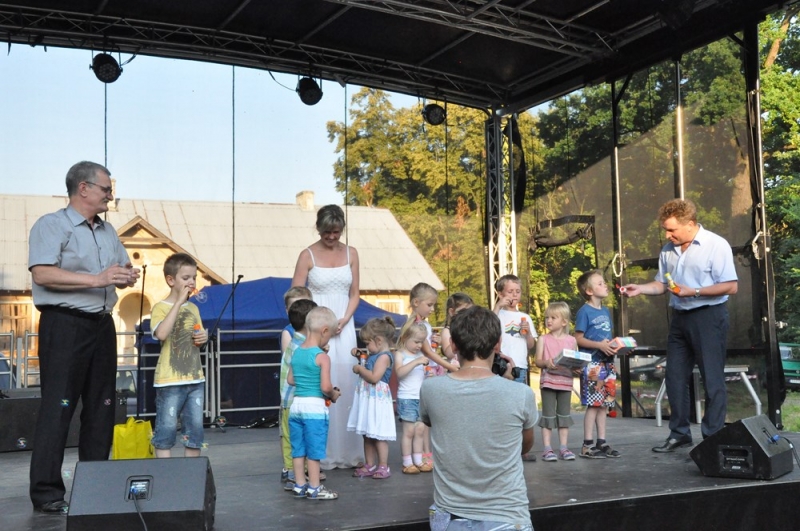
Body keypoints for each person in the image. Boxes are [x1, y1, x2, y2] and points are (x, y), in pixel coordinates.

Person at [28, 161, 140, 514]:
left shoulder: (108, 231)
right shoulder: (52, 225)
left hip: (101, 325)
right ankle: (47, 493)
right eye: (106, 189)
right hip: (65, 324)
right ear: (83, 188)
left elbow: (119, 268)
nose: (110, 195)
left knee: (102, 408)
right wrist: (98, 279)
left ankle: (95, 486)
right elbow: (42, 273)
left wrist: (126, 275)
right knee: (58, 408)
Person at [622, 198, 738, 452]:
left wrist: (694, 291)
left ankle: (712, 438)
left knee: (712, 379)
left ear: (690, 224)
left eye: (672, 230)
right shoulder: (668, 250)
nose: (668, 235)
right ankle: (680, 433)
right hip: (680, 318)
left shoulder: (715, 244)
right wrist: (640, 288)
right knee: (674, 377)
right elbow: (662, 284)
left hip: (709, 316)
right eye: (666, 230)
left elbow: (731, 286)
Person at [420, 306, 536, 531]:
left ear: (453, 345)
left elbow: (442, 424)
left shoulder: (430, 389)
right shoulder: (521, 393)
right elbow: (524, 445)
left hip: (451, 516)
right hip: (507, 515)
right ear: (498, 344)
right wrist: (507, 382)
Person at [291, 204, 362, 469]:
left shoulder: (352, 253)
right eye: (326, 232)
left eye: (336, 232)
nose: (331, 237)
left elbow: (355, 293)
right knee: (319, 381)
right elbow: (297, 297)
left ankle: (348, 451)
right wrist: (315, 325)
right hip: (317, 326)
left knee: (346, 381)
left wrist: (344, 318)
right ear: (318, 229)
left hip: (344, 324)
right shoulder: (307, 255)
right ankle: (320, 453)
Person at [150, 253, 209, 458]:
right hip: (169, 381)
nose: (191, 282)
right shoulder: (160, 308)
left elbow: (196, 338)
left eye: (194, 277)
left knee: (194, 434)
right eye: (185, 278)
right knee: (165, 432)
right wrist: (178, 303)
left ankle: (190, 474)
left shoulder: (193, 308)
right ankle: (166, 474)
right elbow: (162, 334)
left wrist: (202, 338)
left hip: (195, 378)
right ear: (170, 280)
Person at [287, 306, 342, 500]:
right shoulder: (322, 357)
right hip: (315, 408)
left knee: (298, 448)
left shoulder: (297, 352)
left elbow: (290, 380)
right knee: (314, 449)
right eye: (330, 336)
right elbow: (325, 387)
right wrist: (333, 395)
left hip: (296, 406)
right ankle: (315, 487)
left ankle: (299, 485)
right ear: (324, 331)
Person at [575, 269, 621, 459]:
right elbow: (578, 338)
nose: (605, 285)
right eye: (600, 283)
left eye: (604, 282)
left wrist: (617, 348)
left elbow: (606, 338)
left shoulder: (605, 311)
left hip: (608, 363)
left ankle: (602, 442)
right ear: (589, 291)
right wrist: (599, 345)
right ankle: (587, 444)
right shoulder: (584, 312)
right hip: (593, 364)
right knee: (594, 404)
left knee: (604, 404)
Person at [347, 317, 397, 479]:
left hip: (377, 400)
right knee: (367, 434)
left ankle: (383, 465)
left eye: (368, 343)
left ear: (379, 340)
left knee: (378, 434)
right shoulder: (375, 355)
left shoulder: (384, 357)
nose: (367, 347)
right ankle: (370, 464)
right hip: (369, 399)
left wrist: (359, 369)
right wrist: (360, 357)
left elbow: (374, 377)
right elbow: (369, 365)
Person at [279, 297, 317, 490]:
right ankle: (294, 472)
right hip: (296, 399)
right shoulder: (303, 348)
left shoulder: (294, 342)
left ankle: (295, 471)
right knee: (297, 437)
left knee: (292, 437)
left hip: (288, 399)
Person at [533, 302, 579, 461]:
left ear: (564, 321)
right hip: (548, 382)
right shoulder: (543, 339)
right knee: (548, 415)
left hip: (565, 382)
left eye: (553, 317)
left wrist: (577, 368)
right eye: (547, 317)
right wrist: (546, 363)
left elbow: (575, 360)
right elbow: (537, 361)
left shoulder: (572, 340)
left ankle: (563, 448)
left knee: (564, 415)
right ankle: (547, 448)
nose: (549, 320)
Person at [394, 323, 431, 474]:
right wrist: (415, 362)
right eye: (416, 342)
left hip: (419, 397)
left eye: (421, 342)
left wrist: (428, 375)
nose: (419, 345)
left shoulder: (420, 356)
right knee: (409, 431)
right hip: (407, 397)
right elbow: (399, 373)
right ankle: (407, 461)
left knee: (420, 430)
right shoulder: (400, 354)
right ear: (405, 338)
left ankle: (418, 459)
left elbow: (420, 377)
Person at [493, 274, 537, 385]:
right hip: (499, 364)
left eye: (518, 291)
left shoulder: (525, 317)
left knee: (517, 394)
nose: (514, 295)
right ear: (500, 294)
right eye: (510, 291)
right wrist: (498, 306)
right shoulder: (497, 314)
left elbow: (531, 345)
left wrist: (528, 333)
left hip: (519, 366)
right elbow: (489, 326)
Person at [440, 293, 474, 368]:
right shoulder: (447, 331)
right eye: (463, 311)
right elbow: (449, 353)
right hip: (454, 367)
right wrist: (461, 336)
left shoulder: (471, 329)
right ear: (451, 312)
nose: (467, 315)